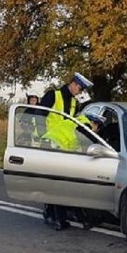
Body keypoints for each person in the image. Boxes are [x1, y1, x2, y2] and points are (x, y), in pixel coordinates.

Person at [38, 72, 94, 230]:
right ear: (73, 84)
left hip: (65, 146)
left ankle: (62, 214)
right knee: (53, 182)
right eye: (80, 88)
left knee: (63, 182)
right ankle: (52, 215)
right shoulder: (53, 95)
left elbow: (73, 124)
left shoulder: (74, 103)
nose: (80, 92)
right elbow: (39, 117)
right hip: (49, 144)